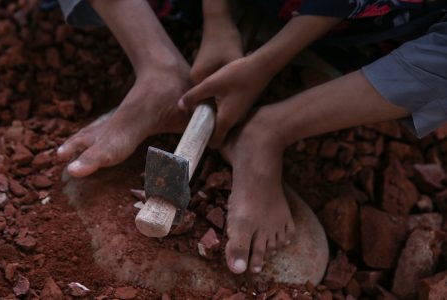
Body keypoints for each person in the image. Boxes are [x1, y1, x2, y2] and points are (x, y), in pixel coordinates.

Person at [56, 0, 447, 275]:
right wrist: (218, 17)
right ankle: (157, 64)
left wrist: (267, 62)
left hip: (380, 18)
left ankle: (271, 129)